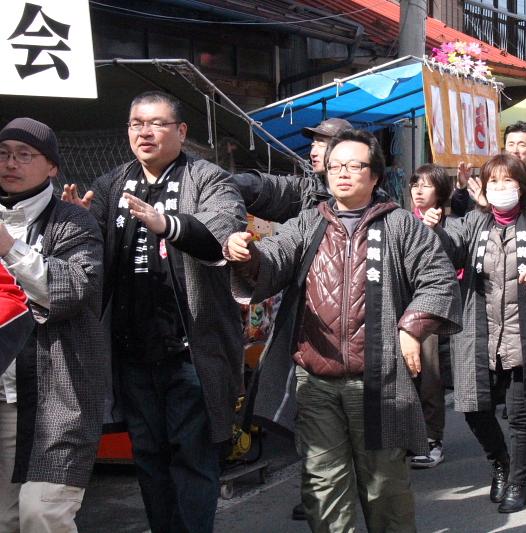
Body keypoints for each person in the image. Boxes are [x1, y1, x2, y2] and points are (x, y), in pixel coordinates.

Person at [226, 129, 462, 532]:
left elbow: (438, 280)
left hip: (382, 379)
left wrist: (412, 327)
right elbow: (273, 263)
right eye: (336, 166)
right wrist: (246, 256)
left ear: (375, 176)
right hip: (316, 379)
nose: (343, 173)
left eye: (355, 166)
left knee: (385, 487)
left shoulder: (402, 226)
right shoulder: (307, 224)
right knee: (323, 484)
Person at [62, 92, 246, 533]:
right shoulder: (112, 184)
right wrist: (78, 222)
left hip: (191, 350)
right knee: (148, 456)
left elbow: (222, 233)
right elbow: (93, 259)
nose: (144, 132)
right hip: (132, 350)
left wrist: (168, 224)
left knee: (193, 456)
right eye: (135, 123)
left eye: (157, 123)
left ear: (181, 131)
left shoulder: (210, 179)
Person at [428, 153, 526, 513]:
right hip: (478, 331)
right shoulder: (473, 223)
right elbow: (449, 251)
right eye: (493, 181)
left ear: (521, 185)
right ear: (484, 187)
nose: (500, 188)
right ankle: (501, 464)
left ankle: (518, 483)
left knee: (522, 412)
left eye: (508, 181)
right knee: (474, 408)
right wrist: (435, 228)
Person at [233, 117, 353, 521]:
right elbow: (268, 189)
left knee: (350, 415)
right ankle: (318, 490)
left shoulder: (374, 201)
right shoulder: (306, 192)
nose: (315, 149)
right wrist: (226, 183)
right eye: (314, 141)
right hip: (309, 321)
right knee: (308, 407)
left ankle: (345, 484)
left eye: (325, 142)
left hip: (358, 330)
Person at [0, 118, 105, 532]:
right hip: (4, 395)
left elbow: (74, 287)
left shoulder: (75, 222)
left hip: (59, 395)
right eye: (4, 153)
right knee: (4, 518)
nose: (11, 163)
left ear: (52, 168)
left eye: (25, 155)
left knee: (42, 512)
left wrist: (10, 247)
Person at [408, 163, 455, 469]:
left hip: (428, 310)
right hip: (398, 307)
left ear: (439, 192)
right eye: (415, 184)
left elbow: (452, 259)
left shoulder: (449, 225)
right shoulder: (399, 219)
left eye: (426, 185)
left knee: (429, 376)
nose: (419, 191)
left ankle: (432, 438)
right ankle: (406, 437)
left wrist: (433, 230)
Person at [234, 117, 352, 222]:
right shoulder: (307, 192)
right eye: (313, 145)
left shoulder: (366, 196)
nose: (312, 153)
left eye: (321, 144)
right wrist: (232, 182)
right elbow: (271, 187)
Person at [452, 121, 526, 216]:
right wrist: (461, 188)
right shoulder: (490, 178)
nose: (515, 150)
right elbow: (459, 212)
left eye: (522, 145)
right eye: (511, 144)